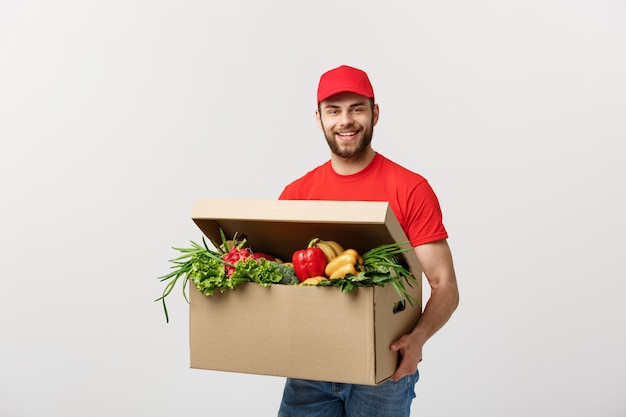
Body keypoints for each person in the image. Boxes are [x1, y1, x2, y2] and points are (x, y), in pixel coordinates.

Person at [277, 65, 460, 417]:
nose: (345, 121)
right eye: (334, 110)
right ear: (319, 119)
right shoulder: (296, 195)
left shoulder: (410, 190)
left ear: (374, 113)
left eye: (356, 108)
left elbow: (445, 284)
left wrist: (417, 339)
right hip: (308, 368)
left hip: (384, 370)